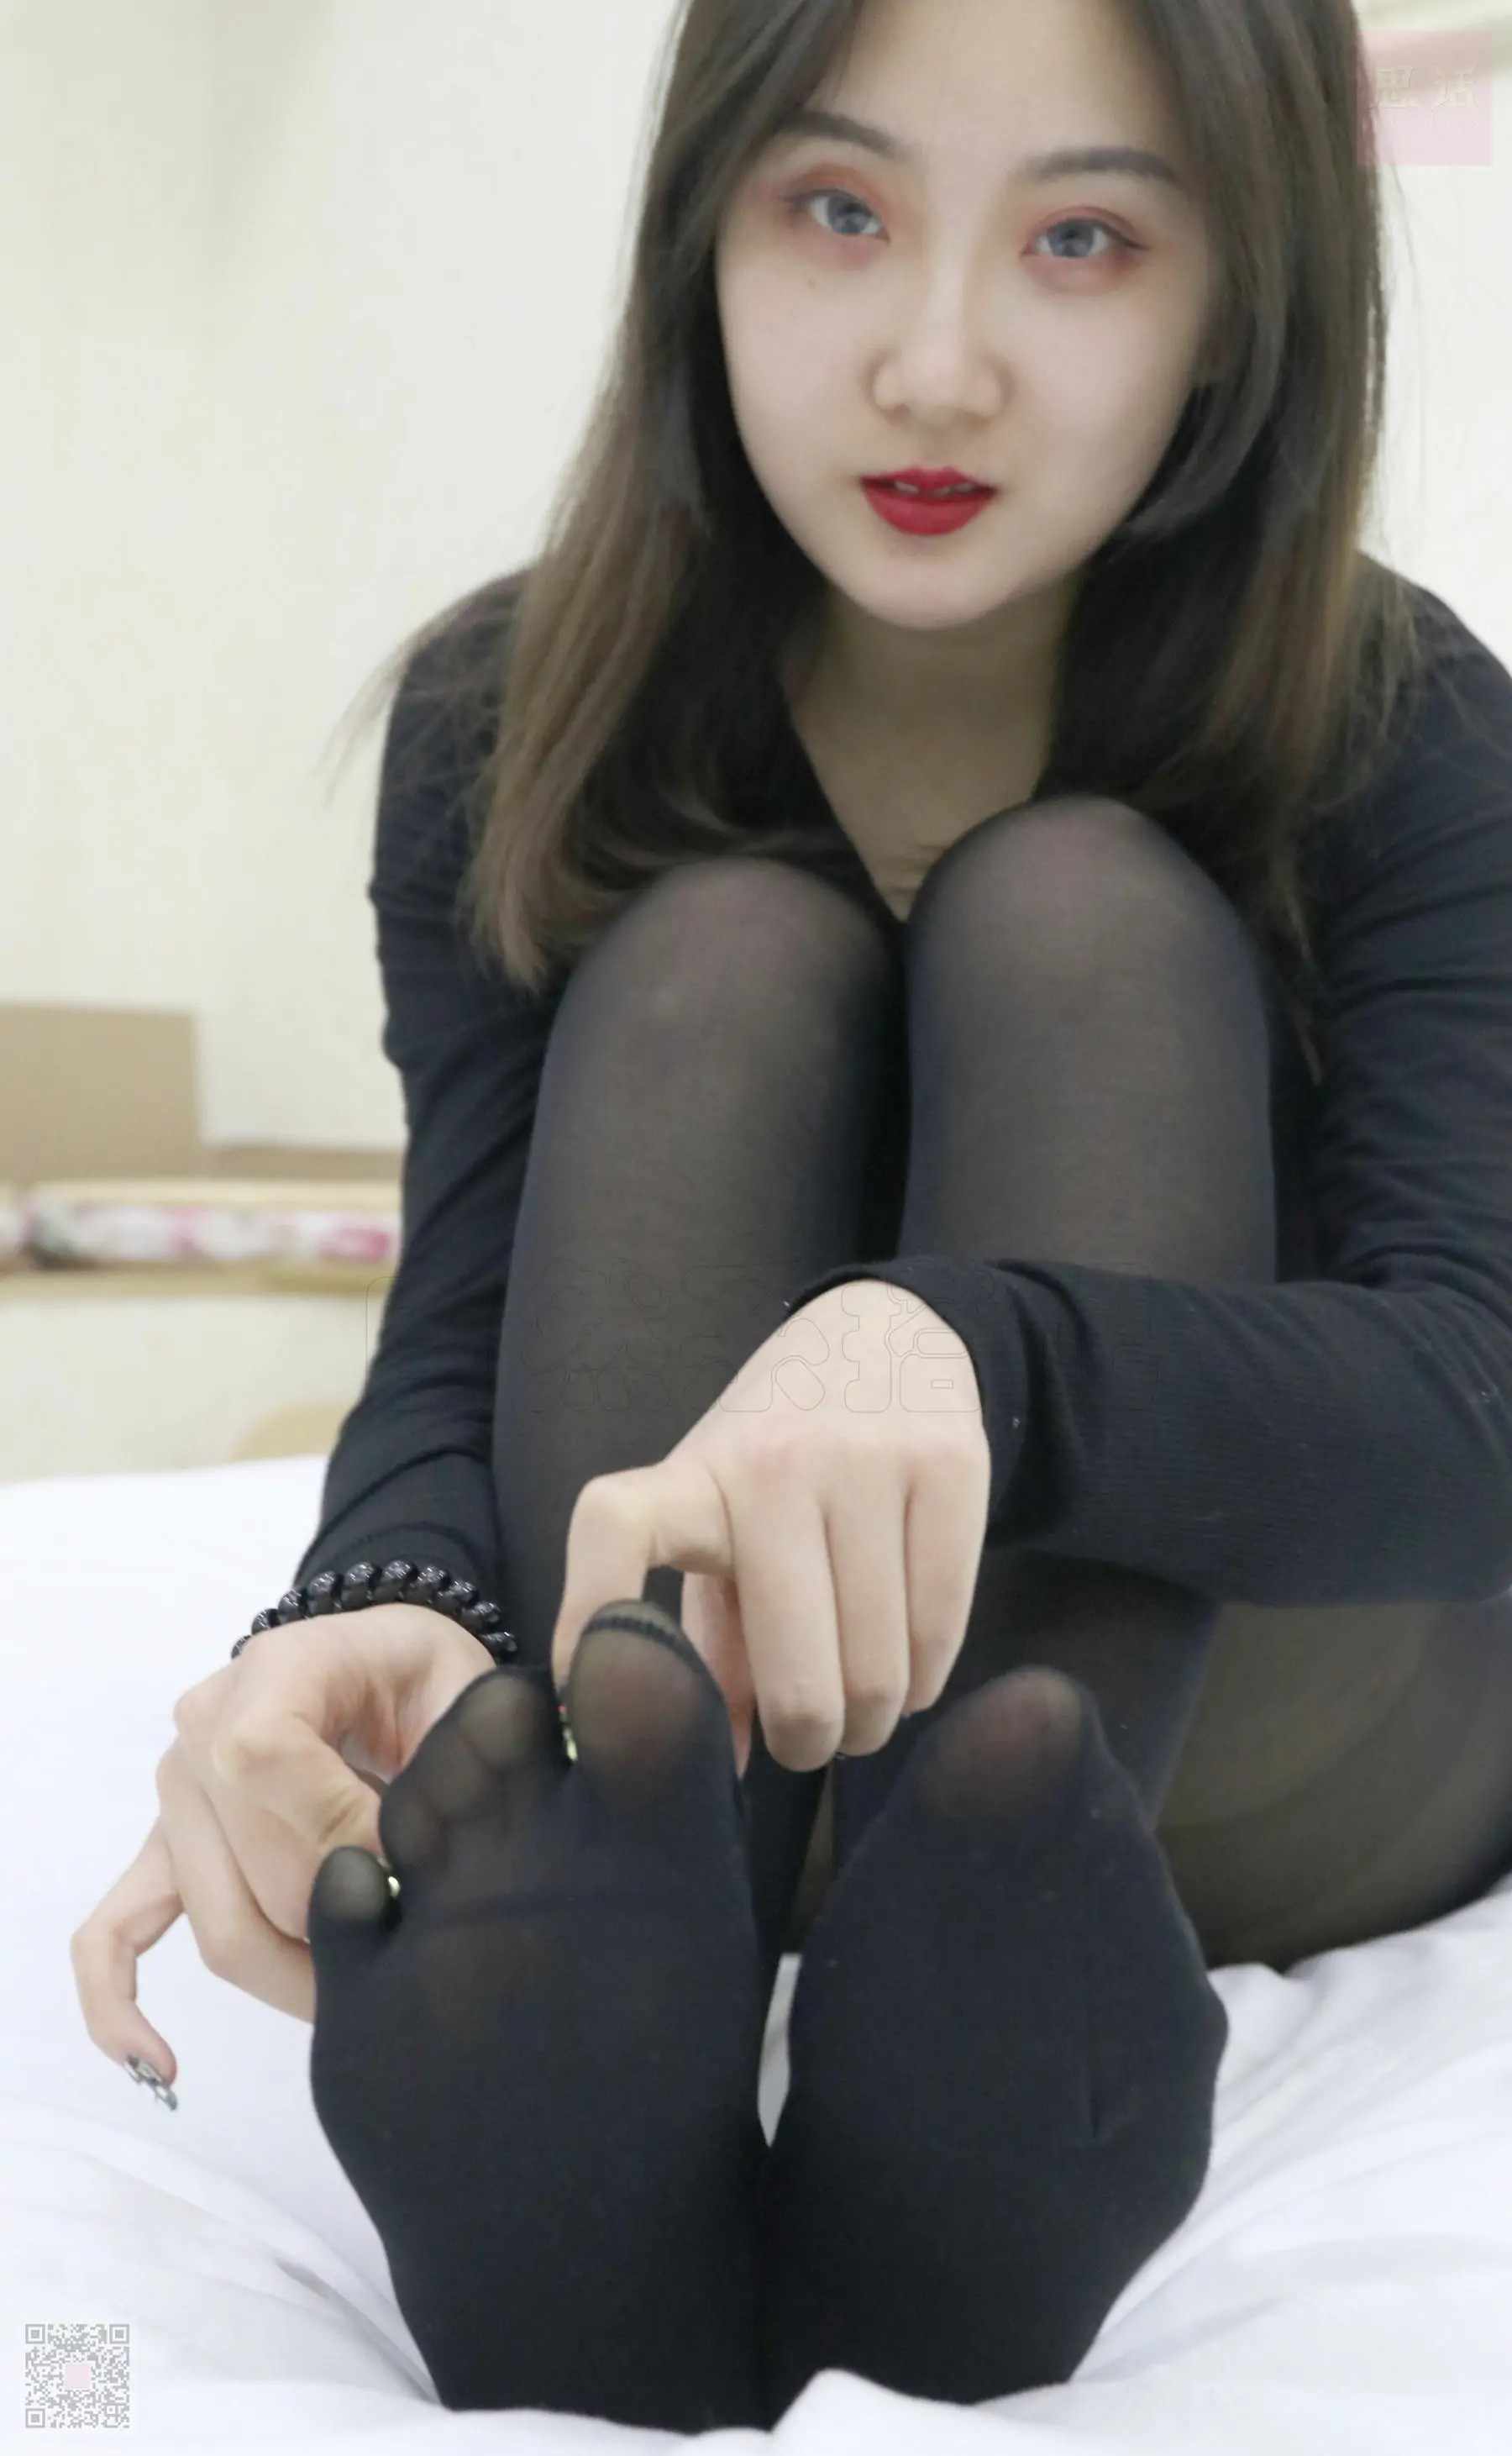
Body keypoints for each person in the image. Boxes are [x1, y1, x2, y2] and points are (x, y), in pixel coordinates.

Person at [71, 0, 1512, 2432]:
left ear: (1238, 293)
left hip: (1276, 1757)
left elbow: (1480, 1397)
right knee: (714, 959)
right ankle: (620, 2047)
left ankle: (993, 2002)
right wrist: (372, 1599)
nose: (933, 363)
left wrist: (978, 1354)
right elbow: (459, 1330)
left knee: (1080, 917)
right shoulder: (510, 715)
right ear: (703, 234)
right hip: (728, 1751)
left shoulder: (1394, 715)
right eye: (838, 208)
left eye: (1082, 240)